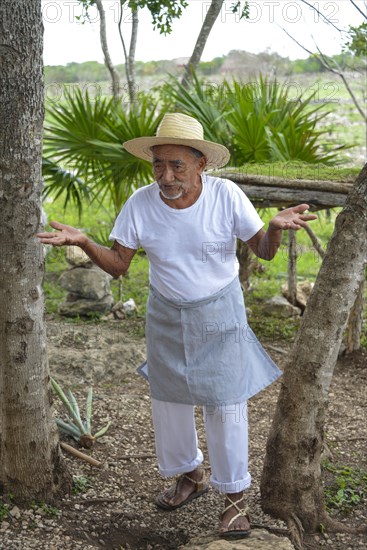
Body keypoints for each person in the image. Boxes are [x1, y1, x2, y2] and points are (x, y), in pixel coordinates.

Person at [37, 112, 317, 539]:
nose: (166, 176)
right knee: (170, 403)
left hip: (220, 314)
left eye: (177, 166)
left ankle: (234, 499)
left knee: (225, 406)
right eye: (158, 165)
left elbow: (262, 250)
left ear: (201, 163)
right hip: (166, 314)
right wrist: (84, 242)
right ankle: (191, 476)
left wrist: (275, 228)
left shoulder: (226, 196)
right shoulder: (141, 203)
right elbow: (117, 266)